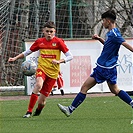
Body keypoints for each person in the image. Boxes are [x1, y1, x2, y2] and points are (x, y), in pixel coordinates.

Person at [57, 10, 133, 117]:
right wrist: (99, 39)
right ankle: (132, 104)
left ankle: (70, 109)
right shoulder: (110, 33)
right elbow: (107, 45)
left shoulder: (115, 34)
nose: (102, 23)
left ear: (108, 21)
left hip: (104, 68)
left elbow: (124, 43)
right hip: (108, 67)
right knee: (115, 90)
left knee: (84, 88)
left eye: (103, 21)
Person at [8, 21, 73, 118]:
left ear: (54, 32)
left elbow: (70, 56)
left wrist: (60, 61)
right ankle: (29, 111)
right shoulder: (39, 42)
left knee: (42, 102)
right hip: (42, 68)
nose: (49, 33)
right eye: (47, 31)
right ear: (43, 31)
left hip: (53, 73)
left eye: (51, 31)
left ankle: (38, 110)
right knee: (38, 84)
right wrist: (15, 58)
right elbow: (27, 52)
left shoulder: (59, 42)